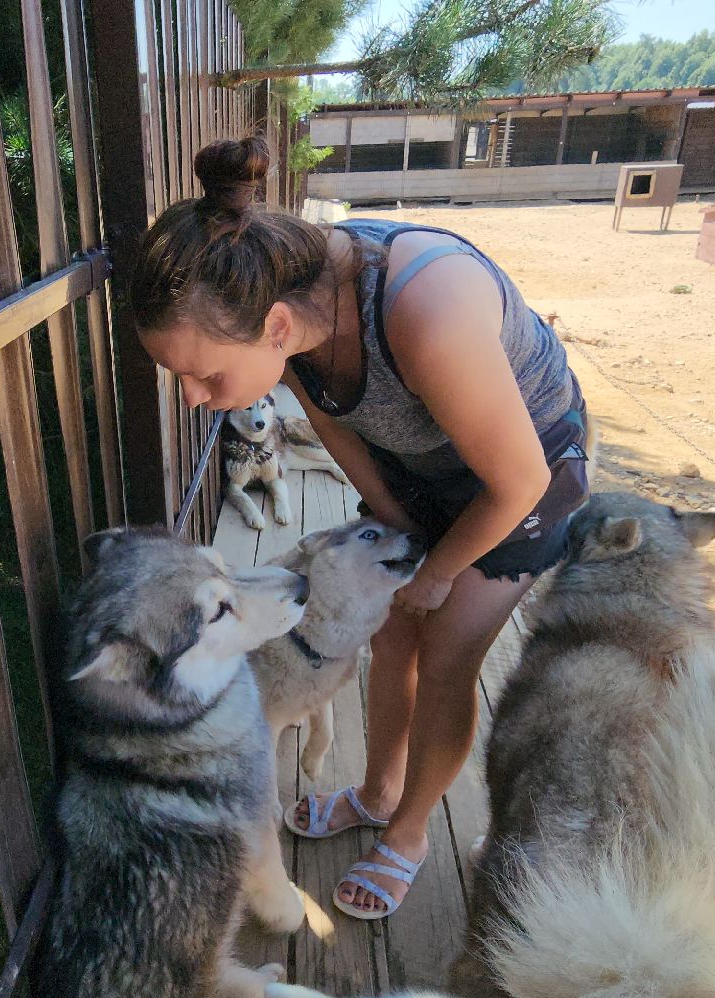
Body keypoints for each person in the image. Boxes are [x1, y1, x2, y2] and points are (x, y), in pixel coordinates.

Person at [130, 136, 592, 920]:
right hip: (421, 456)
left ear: (275, 324)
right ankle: (379, 793)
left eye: (204, 373)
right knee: (391, 635)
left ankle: (411, 833)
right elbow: (341, 429)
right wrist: (396, 520)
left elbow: (519, 481)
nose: (195, 397)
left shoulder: (423, 307)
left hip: (521, 474)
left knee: (445, 650)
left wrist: (439, 568)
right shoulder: (291, 320)